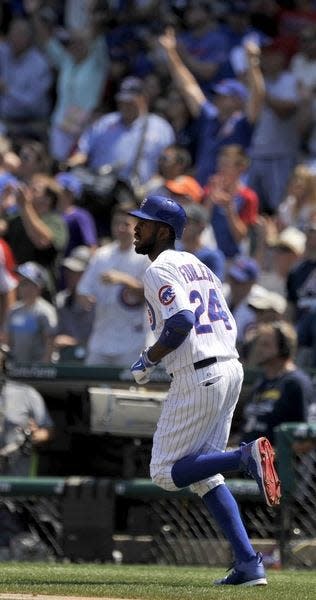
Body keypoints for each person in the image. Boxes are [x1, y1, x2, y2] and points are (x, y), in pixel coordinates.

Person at [128, 194, 280, 586]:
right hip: (228, 366)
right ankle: (249, 564)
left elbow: (180, 323)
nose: (135, 227)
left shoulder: (159, 268)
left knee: (163, 471)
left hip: (200, 372)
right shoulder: (199, 265)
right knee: (204, 477)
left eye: (143, 222)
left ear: (163, 231)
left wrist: (149, 358)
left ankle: (244, 457)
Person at [158, 28, 265, 186]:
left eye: (224, 96)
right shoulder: (209, 116)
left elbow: (258, 95)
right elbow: (188, 87)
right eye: (218, 95)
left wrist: (253, 64)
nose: (218, 99)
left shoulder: (243, 122)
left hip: (231, 193)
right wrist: (171, 52)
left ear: (238, 101)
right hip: (204, 190)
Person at [67, 75, 175, 190]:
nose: (125, 106)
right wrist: (69, 165)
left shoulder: (161, 128)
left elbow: (170, 165)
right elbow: (82, 151)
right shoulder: (105, 123)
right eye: (122, 101)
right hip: (100, 188)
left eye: (130, 101)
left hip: (139, 193)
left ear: (143, 99)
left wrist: (153, 185)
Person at [77, 204, 150, 367]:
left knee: (131, 389)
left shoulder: (145, 255)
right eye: (117, 223)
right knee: (92, 387)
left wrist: (123, 279)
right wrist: (85, 299)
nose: (120, 228)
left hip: (133, 341)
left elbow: (152, 295)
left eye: (126, 224)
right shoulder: (102, 255)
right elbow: (82, 290)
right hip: (101, 339)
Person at [240, 320, 314, 444]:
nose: (258, 349)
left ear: (284, 348)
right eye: (259, 344)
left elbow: (307, 441)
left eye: (265, 344)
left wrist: (272, 455)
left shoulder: (296, 383)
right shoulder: (262, 381)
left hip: (278, 461)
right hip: (247, 457)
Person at [4, 261, 57, 363]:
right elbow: (7, 341)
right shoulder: (13, 311)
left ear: (38, 286)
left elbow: (50, 342)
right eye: (21, 283)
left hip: (38, 370)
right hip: (15, 368)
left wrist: (44, 366)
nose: (23, 288)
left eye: (27, 283)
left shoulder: (46, 311)